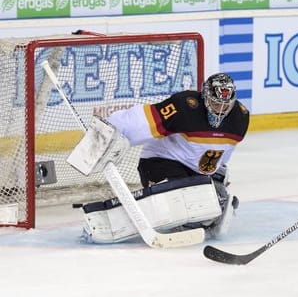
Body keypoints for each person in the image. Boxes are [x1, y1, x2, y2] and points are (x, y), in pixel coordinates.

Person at [72, 73, 250, 244]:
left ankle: (195, 215)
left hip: (195, 172)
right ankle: (106, 221)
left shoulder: (240, 118)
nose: (220, 110)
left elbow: (221, 153)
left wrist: (218, 175)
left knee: (212, 199)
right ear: (204, 97)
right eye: (215, 103)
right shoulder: (184, 107)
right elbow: (139, 121)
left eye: (225, 105)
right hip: (159, 162)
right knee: (181, 197)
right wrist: (105, 132)